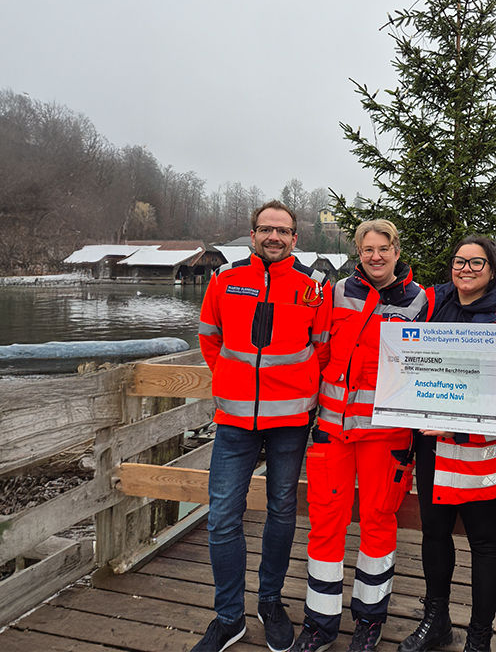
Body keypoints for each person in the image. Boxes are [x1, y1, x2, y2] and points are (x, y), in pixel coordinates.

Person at [193, 200, 331, 652]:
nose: (274, 236)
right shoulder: (226, 280)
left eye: (283, 230)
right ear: (252, 234)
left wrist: (296, 389)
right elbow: (210, 338)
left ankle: (269, 601)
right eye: (266, 229)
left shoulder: (313, 287)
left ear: (295, 238)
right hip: (235, 421)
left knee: (281, 512)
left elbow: (322, 348)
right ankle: (228, 616)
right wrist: (232, 381)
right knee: (222, 518)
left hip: (290, 421)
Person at [295, 219, 430, 652]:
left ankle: (370, 620)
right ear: (359, 252)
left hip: (385, 435)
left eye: (383, 248)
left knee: (377, 524)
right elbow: (318, 348)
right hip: (332, 431)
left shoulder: (419, 299)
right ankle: (319, 624)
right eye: (368, 249)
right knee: (325, 525)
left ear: (395, 251)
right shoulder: (338, 293)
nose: (375, 256)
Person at [399, 235, 496, 652]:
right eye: (459, 261)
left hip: (479, 450)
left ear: (492, 268)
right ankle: (437, 622)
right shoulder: (434, 305)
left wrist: (458, 421)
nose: (466, 269)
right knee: (434, 533)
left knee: (484, 539)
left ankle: (480, 637)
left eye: (476, 262)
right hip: (433, 445)